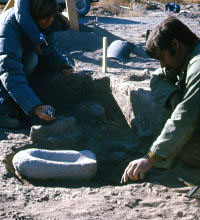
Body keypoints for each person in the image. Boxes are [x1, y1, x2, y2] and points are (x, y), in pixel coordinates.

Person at [122, 16, 200, 182]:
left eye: (162, 58)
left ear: (175, 44)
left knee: (183, 148)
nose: (162, 65)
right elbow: (158, 77)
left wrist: (151, 157)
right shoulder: (189, 57)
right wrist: (173, 96)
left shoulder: (198, 66)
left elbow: (185, 117)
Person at [0, 0, 73, 128]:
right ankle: (4, 110)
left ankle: (21, 103)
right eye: (46, 18)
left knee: (32, 59)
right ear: (35, 15)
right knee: (29, 61)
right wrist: (35, 106)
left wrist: (62, 64)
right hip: (4, 66)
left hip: (12, 63)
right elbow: (9, 71)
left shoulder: (43, 24)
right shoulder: (10, 26)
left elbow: (49, 50)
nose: (50, 21)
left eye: (52, 17)